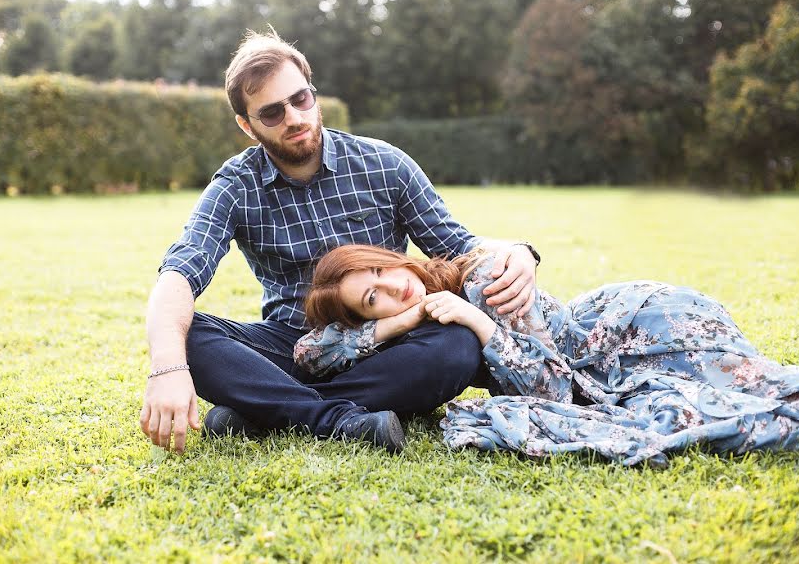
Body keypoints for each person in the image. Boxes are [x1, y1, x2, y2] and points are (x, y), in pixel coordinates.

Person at [139, 28, 542, 455]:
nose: (294, 117)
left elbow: (456, 242)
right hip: (292, 346)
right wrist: (167, 367)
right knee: (185, 332)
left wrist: (518, 250)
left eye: (301, 99)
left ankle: (266, 411)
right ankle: (336, 420)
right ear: (246, 125)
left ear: (313, 94)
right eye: (272, 113)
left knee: (455, 348)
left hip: (390, 343)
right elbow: (182, 271)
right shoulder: (235, 187)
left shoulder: (383, 164)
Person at [295, 245, 799, 465]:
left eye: (382, 272)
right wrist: (397, 323)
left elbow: (553, 391)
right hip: (607, 357)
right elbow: (310, 354)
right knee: (678, 401)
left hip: (637, 328)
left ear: (390, 258)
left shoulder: (480, 281)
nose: (393, 289)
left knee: (718, 391)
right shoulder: (417, 319)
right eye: (372, 299)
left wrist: (478, 322)